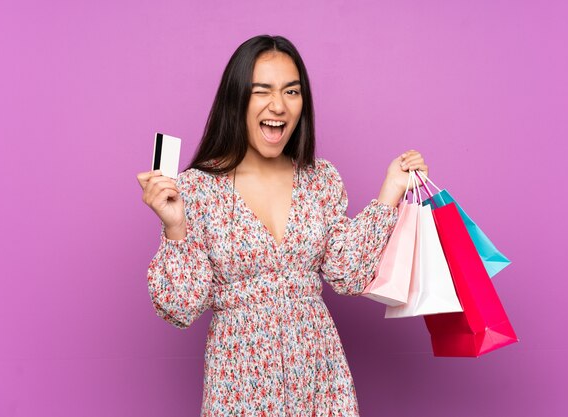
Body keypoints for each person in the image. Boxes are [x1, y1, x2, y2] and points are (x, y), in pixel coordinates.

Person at [136, 34, 428, 416]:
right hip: (240, 380)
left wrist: (391, 190)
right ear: (236, 98)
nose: (279, 105)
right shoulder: (195, 188)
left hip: (319, 375)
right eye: (263, 91)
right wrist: (175, 226)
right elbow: (180, 307)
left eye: (291, 91)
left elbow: (347, 274)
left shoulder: (319, 178)